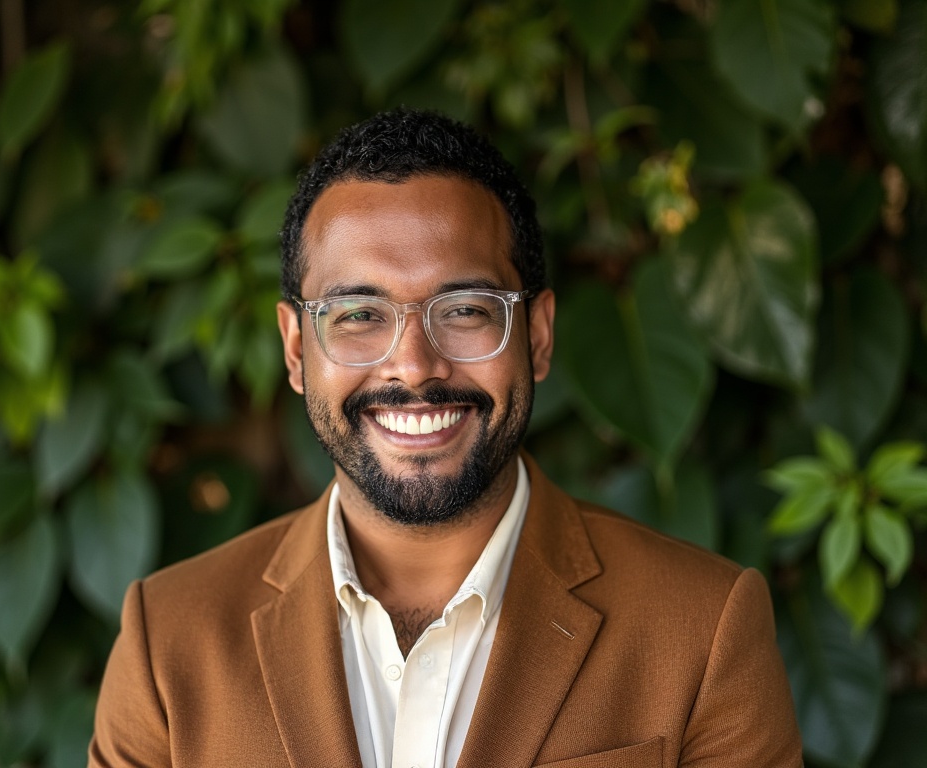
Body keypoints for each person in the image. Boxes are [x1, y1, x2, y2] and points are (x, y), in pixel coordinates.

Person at [89, 109, 803, 767]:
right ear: (297, 350)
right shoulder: (167, 644)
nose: (414, 368)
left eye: (464, 309)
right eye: (359, 315)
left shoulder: (703, 629)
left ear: (541, 336)